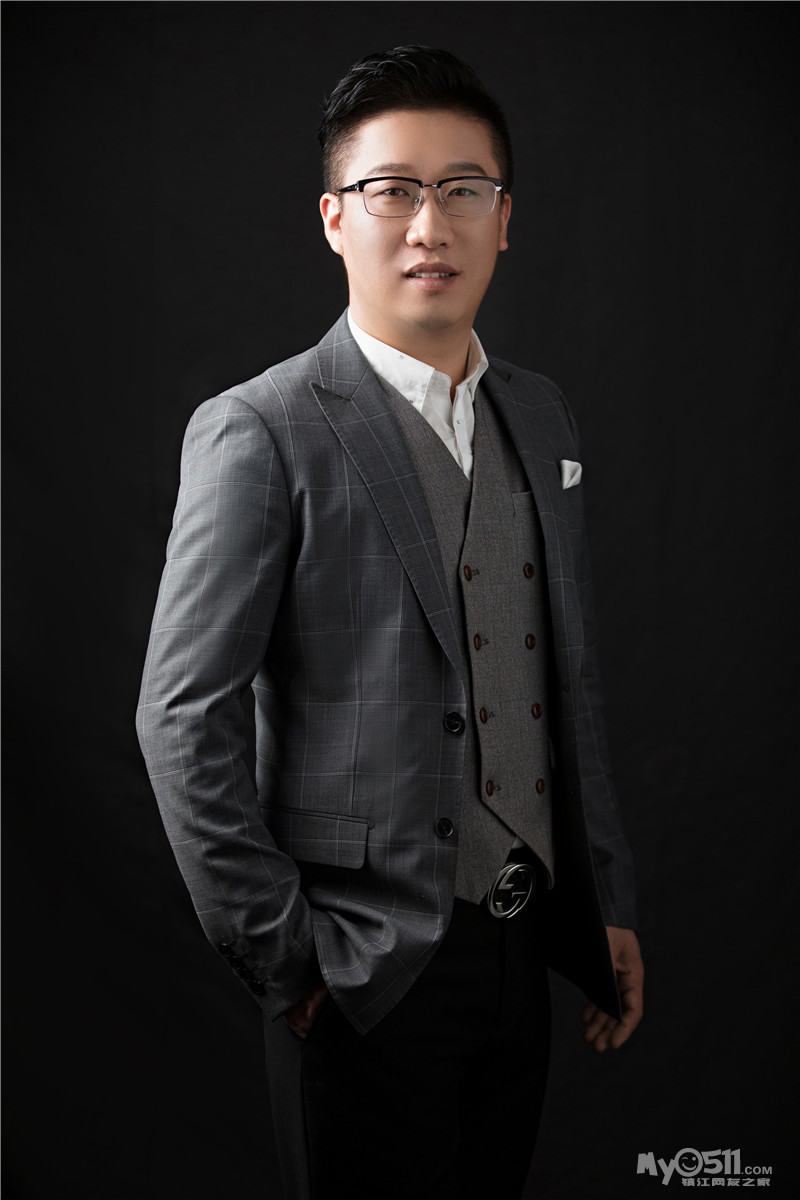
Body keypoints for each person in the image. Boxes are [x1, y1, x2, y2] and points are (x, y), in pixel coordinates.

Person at [136, 44, 644, 1200]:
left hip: (526, 949)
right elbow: (180, 721)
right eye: (391, 190)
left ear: (503, 219)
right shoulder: (259, 429)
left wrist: (602, 902)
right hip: (361, 969)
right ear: (333, 219)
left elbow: (562, 682)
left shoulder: (539, 414)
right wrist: (290, 962)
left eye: (462, 189)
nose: (429, 225)